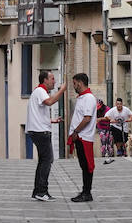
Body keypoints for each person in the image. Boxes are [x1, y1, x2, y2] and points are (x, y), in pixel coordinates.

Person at [27, 70, 66, 202]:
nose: (54, 81)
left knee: (43, 161)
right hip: (40, 132)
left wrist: (52, 120)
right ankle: (42, 191)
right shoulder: (41, 91)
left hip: (37, 130)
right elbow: (49, 102)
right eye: (52, 78)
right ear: (45, 80)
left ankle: (37, 191)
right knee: (47, 160)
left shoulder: (38, 92)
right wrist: (62, 91)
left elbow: (37, 115)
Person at [67, 73, 98, 203]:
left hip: (83, 137)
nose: (73, 86)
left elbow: (87, 118)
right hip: (80, 137)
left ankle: (87, 193)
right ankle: (85, 190)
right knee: (83, 165)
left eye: (74, 83)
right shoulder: (82, 98)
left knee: (86, 166)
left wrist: (76, 132)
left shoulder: (89, 98)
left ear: (80, 83)